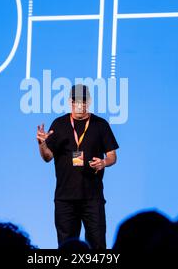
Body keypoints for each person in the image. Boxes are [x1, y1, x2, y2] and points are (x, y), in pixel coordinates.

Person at [36, 84, 119, 249]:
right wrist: (41, 143)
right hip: (65, 199)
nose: (80, 105)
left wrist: (103, 163)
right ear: (69, 101)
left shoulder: (100, 124)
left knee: (98, 246)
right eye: (76, 101)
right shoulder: (59, 124)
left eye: (83, 101)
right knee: (66, 247)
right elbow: (47, 157)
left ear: (89, 101)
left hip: (93, 198)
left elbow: (112, 156)